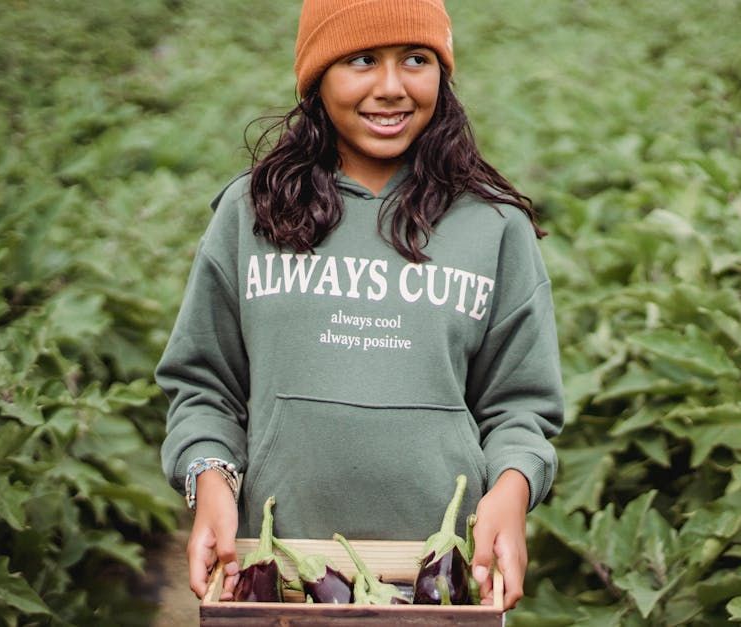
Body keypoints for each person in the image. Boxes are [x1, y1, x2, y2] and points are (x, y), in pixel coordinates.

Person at [155, 0, 563, 610]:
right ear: (318, 76)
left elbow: (520, 407)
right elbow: (204, 387)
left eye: (416, 60)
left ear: (442, 76)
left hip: (443, 577)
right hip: (277, 571)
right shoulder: (252, 215)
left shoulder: (493, 226)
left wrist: (511, 489)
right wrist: (209, 478)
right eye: (362, 60)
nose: (392, 88)